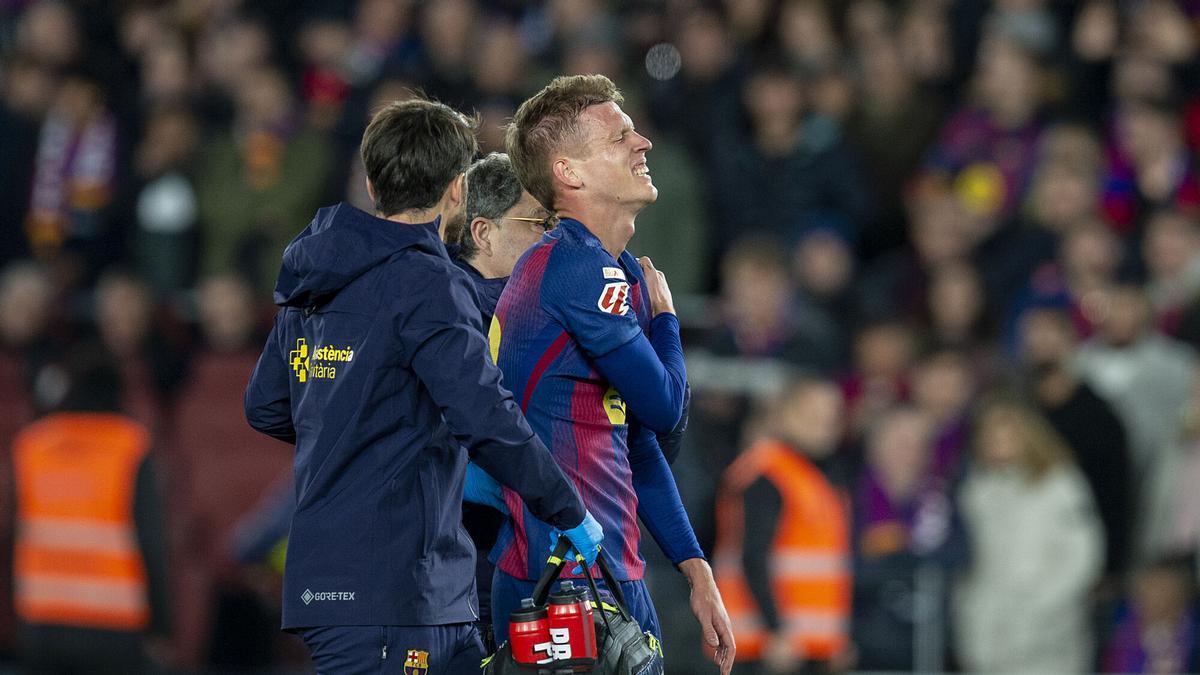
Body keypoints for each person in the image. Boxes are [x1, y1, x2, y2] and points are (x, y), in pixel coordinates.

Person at [243, 98, 601, 674]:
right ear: (458, 188)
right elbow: (484, 415)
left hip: (349, 578)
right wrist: (566, 508)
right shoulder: (427, 280)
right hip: (394, 583)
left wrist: (359, 424)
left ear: (372, 180)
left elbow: (265, 405)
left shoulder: (314, 274)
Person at [492, 74, 734, 673]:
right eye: (620, 136)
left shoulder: (609, 270)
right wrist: (668, 322)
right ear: (569, 173)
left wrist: (694, 569)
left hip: (607, 576)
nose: (643, 143)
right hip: (559, 582)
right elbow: (667, 411)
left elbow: (637, 445)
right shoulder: (577, 271)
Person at [8, 342, 171, 673]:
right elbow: (151, 541)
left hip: (41, 625)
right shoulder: (130, 445)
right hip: (115, 629)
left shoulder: (31, 446)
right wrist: (162, 626)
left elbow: (11, 534)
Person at [954, 398, 1103, 673]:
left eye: (1008, 433)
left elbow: (1083, 556)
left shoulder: (1060, 485)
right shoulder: (976, 490)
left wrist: (1043, 606)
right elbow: (970, 561)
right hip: (988, 631)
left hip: (1048, 634)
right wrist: (971, 611)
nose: (999, 442)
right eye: (991, 434)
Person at [713, 379, 851, 674]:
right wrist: (776, 630)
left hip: (804, 648)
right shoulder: (768, 474)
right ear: (785, 415)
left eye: (832, 418)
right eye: (812, 416)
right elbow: (751, 557)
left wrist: (835, 640)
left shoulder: (814, 476)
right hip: (766, 649)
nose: (824, 427)